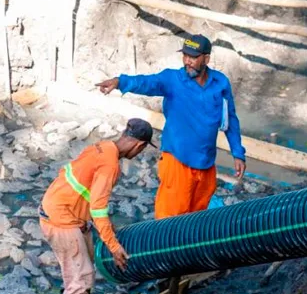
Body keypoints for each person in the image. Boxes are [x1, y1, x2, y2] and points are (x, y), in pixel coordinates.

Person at [96, 34, 246, 219]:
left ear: (206, 59)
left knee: (197, 217)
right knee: (170, 219)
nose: (187, 61)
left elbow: (230, 117)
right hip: (177, 162)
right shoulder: (172, 80)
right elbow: (147, 82)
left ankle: (190, 247)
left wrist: (237, 152)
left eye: (193, 57)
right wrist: (120, 82)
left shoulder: (220, 83)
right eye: (185, 56)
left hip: (206, 163)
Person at [40, 118, 154, 294]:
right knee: (79, 275)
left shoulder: (103, 146)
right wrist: (113, 245)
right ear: (139, 145)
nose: (138, 154)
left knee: (83, 266)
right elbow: (98, 207)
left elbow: (89, 194)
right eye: (141, 150)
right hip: (61, 219)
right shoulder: (110, 164)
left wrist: (102, 228)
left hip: (65, 210)